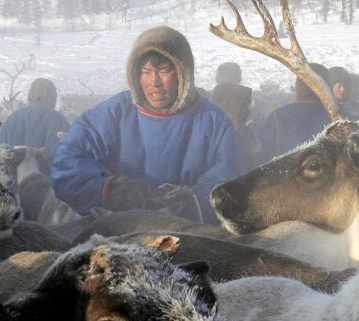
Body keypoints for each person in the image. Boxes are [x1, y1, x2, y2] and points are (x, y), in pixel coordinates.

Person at [51, 26, 241, 224]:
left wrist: (193, 201)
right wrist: (110, 189)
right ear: (135, 74)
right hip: (118, 232)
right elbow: (67, 162)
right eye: (146, 71)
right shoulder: (114, 113)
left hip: (189, 234)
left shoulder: (213, 121)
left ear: (182, 72)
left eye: (163, 71)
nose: (154, 82)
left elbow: (229, 180)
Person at [258, 63, 332, 161]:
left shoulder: (277, 116)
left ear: (298, 86)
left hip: (284, 174)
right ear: (325, 86)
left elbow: (265, 155)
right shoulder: (337, 115)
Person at [0, 78, 70, 159]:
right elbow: (68, 157)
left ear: (30, 94)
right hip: (46, 171)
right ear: (53, 96)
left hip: (11, 170)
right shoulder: (60, 121)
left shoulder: (11, 119)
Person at [211, 82, 258, 171]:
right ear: (226, 106)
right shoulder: (213, 138)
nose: (248, 113)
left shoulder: (245, 133)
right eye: (244, 107)